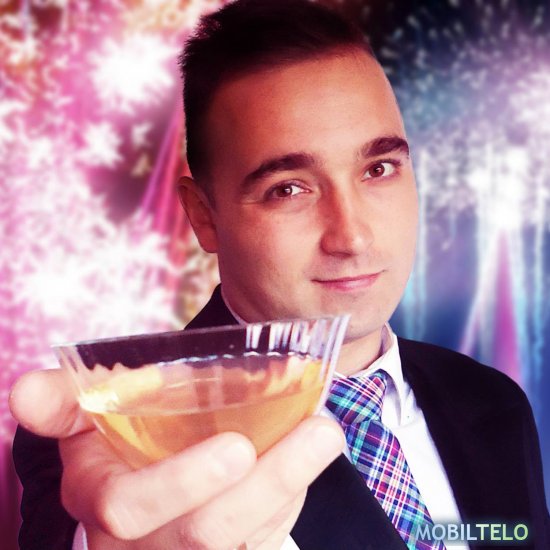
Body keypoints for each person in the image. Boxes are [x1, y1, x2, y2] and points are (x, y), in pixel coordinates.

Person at [10, 1, 550, 549]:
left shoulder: (491, 399)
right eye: (288, 189)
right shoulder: (118, 430)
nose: (353, 237)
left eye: (378, 169)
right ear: (203, 216)